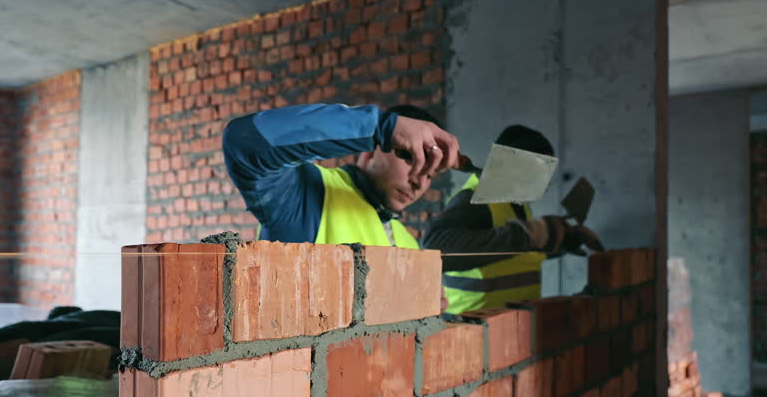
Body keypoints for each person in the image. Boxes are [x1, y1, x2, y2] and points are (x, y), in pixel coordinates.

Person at [421, 125, 603, 315]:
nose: (542, 182)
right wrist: (530, 234)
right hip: (470, 326)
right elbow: (436, 248)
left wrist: (562, 239)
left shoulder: (519, 205)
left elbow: (510, 255)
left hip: (514, 326)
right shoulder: (474, 201)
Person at [222, 103, 459, 248]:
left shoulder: (407, 241)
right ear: (372, 151)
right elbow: (245, 141)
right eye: (411, 159)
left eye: (431, 175)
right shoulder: (305, 192)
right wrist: (380, 127)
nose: (419, 181)